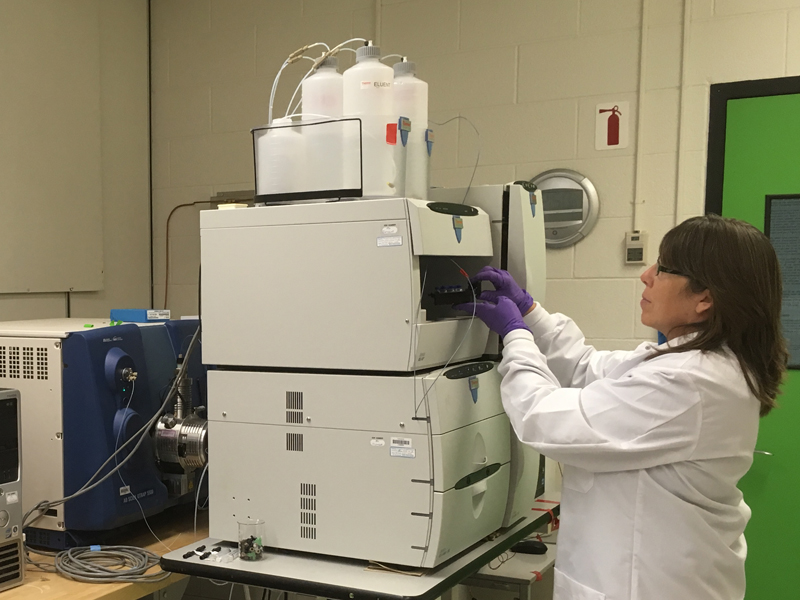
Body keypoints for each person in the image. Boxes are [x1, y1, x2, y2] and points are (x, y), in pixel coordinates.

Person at [456, 215, 788, 600]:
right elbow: (587, 368)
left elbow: (544, 419)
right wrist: (530, 312)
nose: (647, 275)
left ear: (705, 298)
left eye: (663, 268)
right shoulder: (695, 363)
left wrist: (515, 335)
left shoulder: (691, 382)